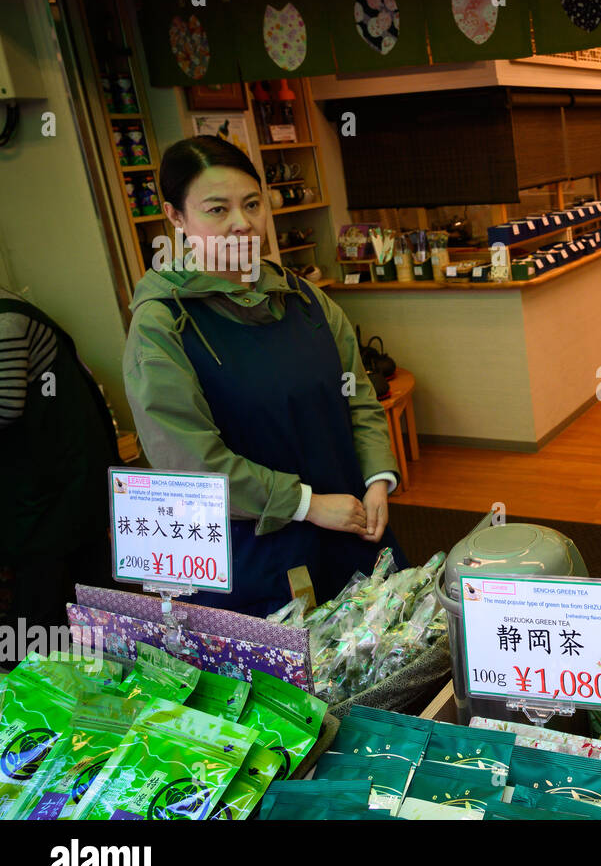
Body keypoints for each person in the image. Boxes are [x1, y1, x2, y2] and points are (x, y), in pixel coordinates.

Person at [123, 136, 407, 617]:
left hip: (355, 531)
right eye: (217, 210)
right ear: (175, 217)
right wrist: (307, 504)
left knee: (393, 663)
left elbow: (357, 396)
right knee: (305, 685)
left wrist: (378, 478)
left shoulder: (305, 299)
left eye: (252, 204)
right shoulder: (162, 325)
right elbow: (192, 462)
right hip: (258, 557)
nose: (242, 223)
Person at [1, 285, 119, 638]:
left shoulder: (7, 322)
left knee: (50, 582)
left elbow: (6, 406)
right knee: (76, 579)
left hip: (60, 476)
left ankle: (54, 670)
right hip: (54, 474)